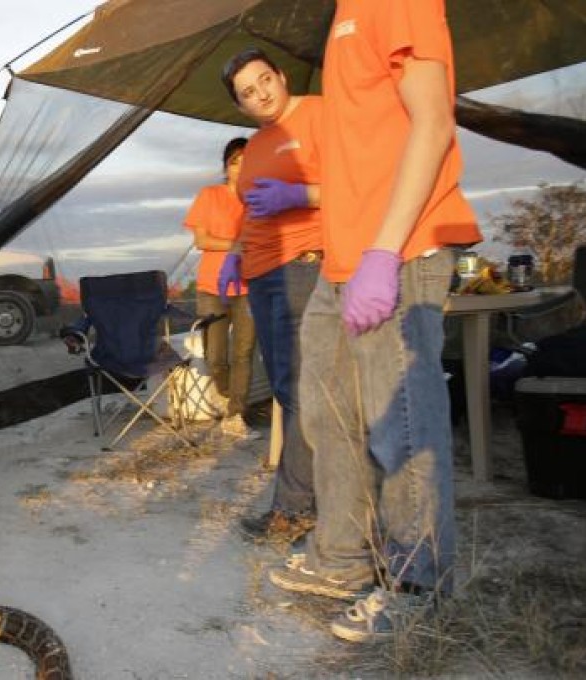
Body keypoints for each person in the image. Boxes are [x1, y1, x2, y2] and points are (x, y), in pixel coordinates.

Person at [266, 0, 482, 643]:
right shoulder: (342, 18)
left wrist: (385, 251)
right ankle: (342, 556)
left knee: (403, 422)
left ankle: (421, 582)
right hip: (340, 258)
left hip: (401, 247)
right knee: (328, 412)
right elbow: (360, 157)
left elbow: (434, 122)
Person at [218, 49, 322, 542]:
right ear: (240, 107)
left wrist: (301, 196)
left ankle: (298, 510)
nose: (261, 95)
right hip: (260, 274)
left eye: (265, 81)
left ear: (281, 76)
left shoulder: (319, 113)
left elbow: (360, 180)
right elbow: (251, 210)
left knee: (302, 391)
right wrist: (235, 252)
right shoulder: (258, 144)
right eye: (248, 94)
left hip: (304, 265)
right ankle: (303, 503)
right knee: (285, 389)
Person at [183, 137, 261, 441]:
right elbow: (201, 241)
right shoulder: (209, 195)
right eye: (235, 161)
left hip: (249, 286)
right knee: (216, 356)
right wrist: (237, 246)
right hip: (212, 287)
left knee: (244, 352)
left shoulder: (257, 199)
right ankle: (230, 398)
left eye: (247, 161)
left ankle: (236, 414)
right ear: (226, 166)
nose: (241, 168)